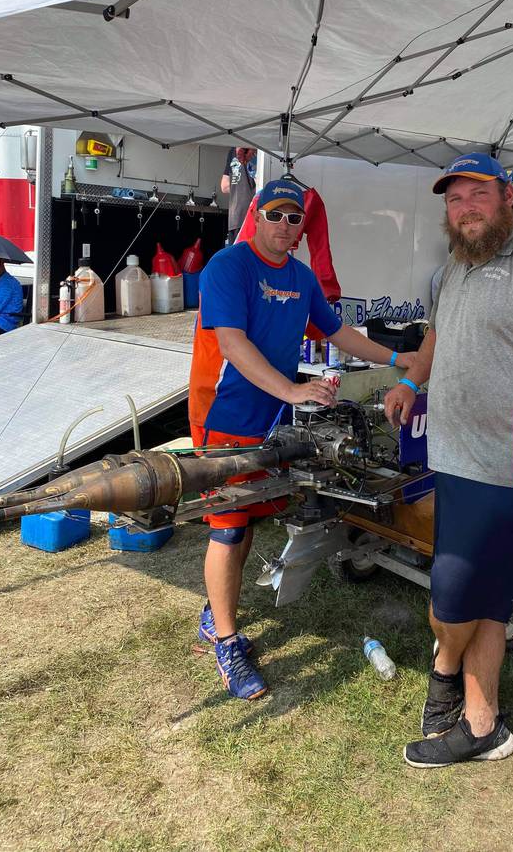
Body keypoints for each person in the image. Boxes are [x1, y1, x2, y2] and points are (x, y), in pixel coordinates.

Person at [383, 153, 513, 769]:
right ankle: (481, 724)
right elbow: (436, 336)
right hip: (455, 456)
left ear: (507, 196)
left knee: (454, 594)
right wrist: (412, 382)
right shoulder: (455, 267)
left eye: (477, 194)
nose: (465, 207)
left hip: (511, 464)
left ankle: (443, 675)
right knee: (490, 598)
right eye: (454, 198)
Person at [189, 179, 417, 700]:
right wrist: (293, 388)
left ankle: (213, 610)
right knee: (225, 528)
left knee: (246, 519)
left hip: (271, 417)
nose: (286, 226)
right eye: (276, 215)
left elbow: (338, 333)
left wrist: (398, 359)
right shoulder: (229, 266)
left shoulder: (301, 276)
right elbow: (232, 343)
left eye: (295, 219)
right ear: (257, 216)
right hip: (224, 416)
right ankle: (226, 641)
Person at [221, 147, 257, 244]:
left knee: (237, 256)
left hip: (235, 216)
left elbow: (224, 186)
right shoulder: (259, 150)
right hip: (252, 216)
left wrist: (238, 186)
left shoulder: (232, 151)